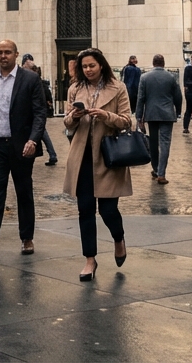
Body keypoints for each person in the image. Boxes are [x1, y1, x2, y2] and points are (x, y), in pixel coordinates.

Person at [62, 48, 132, 280]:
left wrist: (105, 116)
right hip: (82, 156)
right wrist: (74, 116)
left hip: (108, 156)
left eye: (92, 65)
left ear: (101, 65)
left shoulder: (118, 88)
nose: (88, 70)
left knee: (108, 210)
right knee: (85, 209)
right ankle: (90, 259)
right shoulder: (75, 89)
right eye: (84, 67)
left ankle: (118, 238)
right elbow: (67, 124)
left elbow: (126, 122)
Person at [0, 39, 49, 260]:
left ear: (16, 54)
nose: (3, 56)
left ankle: (27, 237)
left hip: (21, 146)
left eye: (7, 52)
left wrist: (34, 140)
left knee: (23, 192)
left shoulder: (30, 79)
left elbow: (40, 113)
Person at [136, 55, 183, 184]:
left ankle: (155, 168)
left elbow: (141, 98)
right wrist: (178, 111)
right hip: (167, 115)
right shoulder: (171, 77)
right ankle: (161, 173)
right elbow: (178, 96)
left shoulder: (144, 77)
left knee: (153, 142)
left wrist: (139, 117)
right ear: (163, 63)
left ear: (153, 63)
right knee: (165, 143)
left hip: (151, 114)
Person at [22, 57, 59, 166]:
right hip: (34, 116)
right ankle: (52, 155)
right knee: (43, 135)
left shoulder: (36, 81)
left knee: (42, 134)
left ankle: (53, 155)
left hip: (35, 116)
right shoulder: (34, 80)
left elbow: (42, 98)